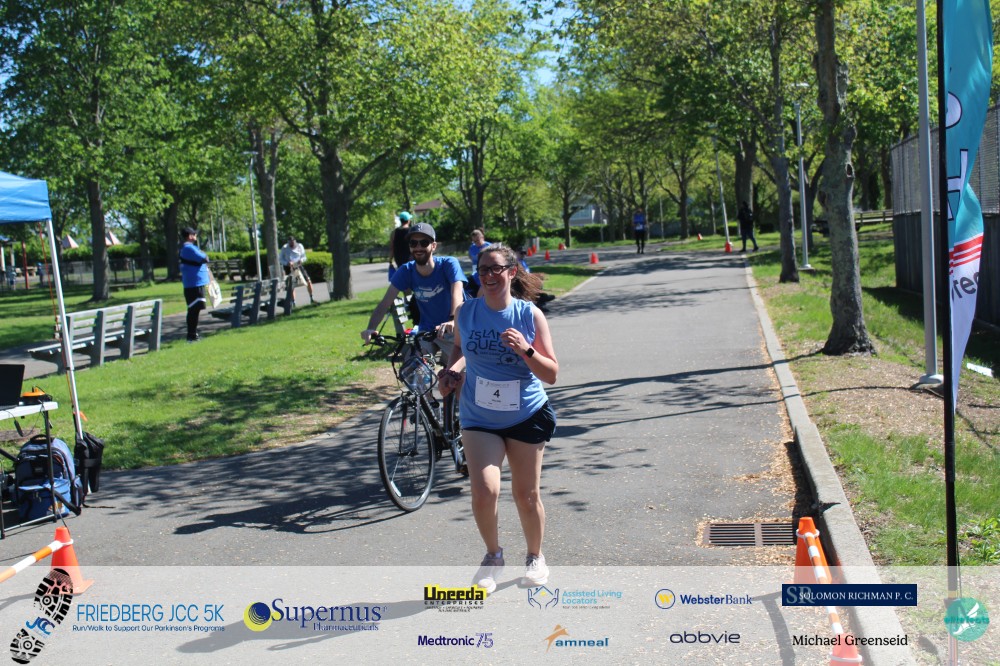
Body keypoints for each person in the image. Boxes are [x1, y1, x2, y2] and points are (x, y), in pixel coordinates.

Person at [438, 244, 559, 593]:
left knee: (526, 495)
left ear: (512, 271)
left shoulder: (529, 315)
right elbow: (459, 349)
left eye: (496, 269)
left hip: (525, 414)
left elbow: (551, 373)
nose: (488, 276)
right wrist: (451, 372)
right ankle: (493, 557)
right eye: (483, 270)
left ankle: (535, 556)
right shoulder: (466, 312)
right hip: (479, 415)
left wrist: (525, 349)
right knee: (484, 491)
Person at [361, 222, 467, 361]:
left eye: (424, 243)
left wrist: (453, 320)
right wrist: (371, 328)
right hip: (427, 331)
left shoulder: (448, 264)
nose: (418, 247)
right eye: (413, 243)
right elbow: (385, 303)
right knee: (413, 366)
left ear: (433, 246)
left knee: (457, 370)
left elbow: (457, 293)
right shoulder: (406, 270)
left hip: (454, 329)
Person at [179, 227, 210, 342]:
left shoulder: (191, 248)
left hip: (196, 283)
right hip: (194, 284)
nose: (196, 236)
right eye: (194, 234)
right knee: (194, 309)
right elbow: (205, 258)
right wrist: (203, 254)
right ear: (190, 236)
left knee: (195, 309)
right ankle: (191, 335)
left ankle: (193, 334)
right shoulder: (189, 248)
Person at [279, 236, 315, 304]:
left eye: (293, 243)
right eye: (290, 243)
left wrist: (301, 260)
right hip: (289, 267)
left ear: (295, 241)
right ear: (288, 242)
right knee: (291, 285)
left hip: (299, 266)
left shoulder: (300, 246)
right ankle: (293, 302)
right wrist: (287, 263)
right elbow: (280, 259)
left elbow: (304, 257)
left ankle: (311, 297)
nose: (292, 245)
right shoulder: (284, 248)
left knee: (308, 280)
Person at [388, 211, 413, 281]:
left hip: (399, 259)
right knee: (412, 277)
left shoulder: (394, 232)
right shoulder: (412, 231)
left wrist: (390, 260)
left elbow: (392, 248)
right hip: (410, 258)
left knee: (403, 277)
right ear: (408, 220)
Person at [467, 228, 491, 296]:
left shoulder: (489, 246)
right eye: (474, 241)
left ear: (482, 237)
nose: (476, 243)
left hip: (486, 268)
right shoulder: (472, 247)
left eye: (477, 240)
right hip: (476, 268)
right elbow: (471, 257)